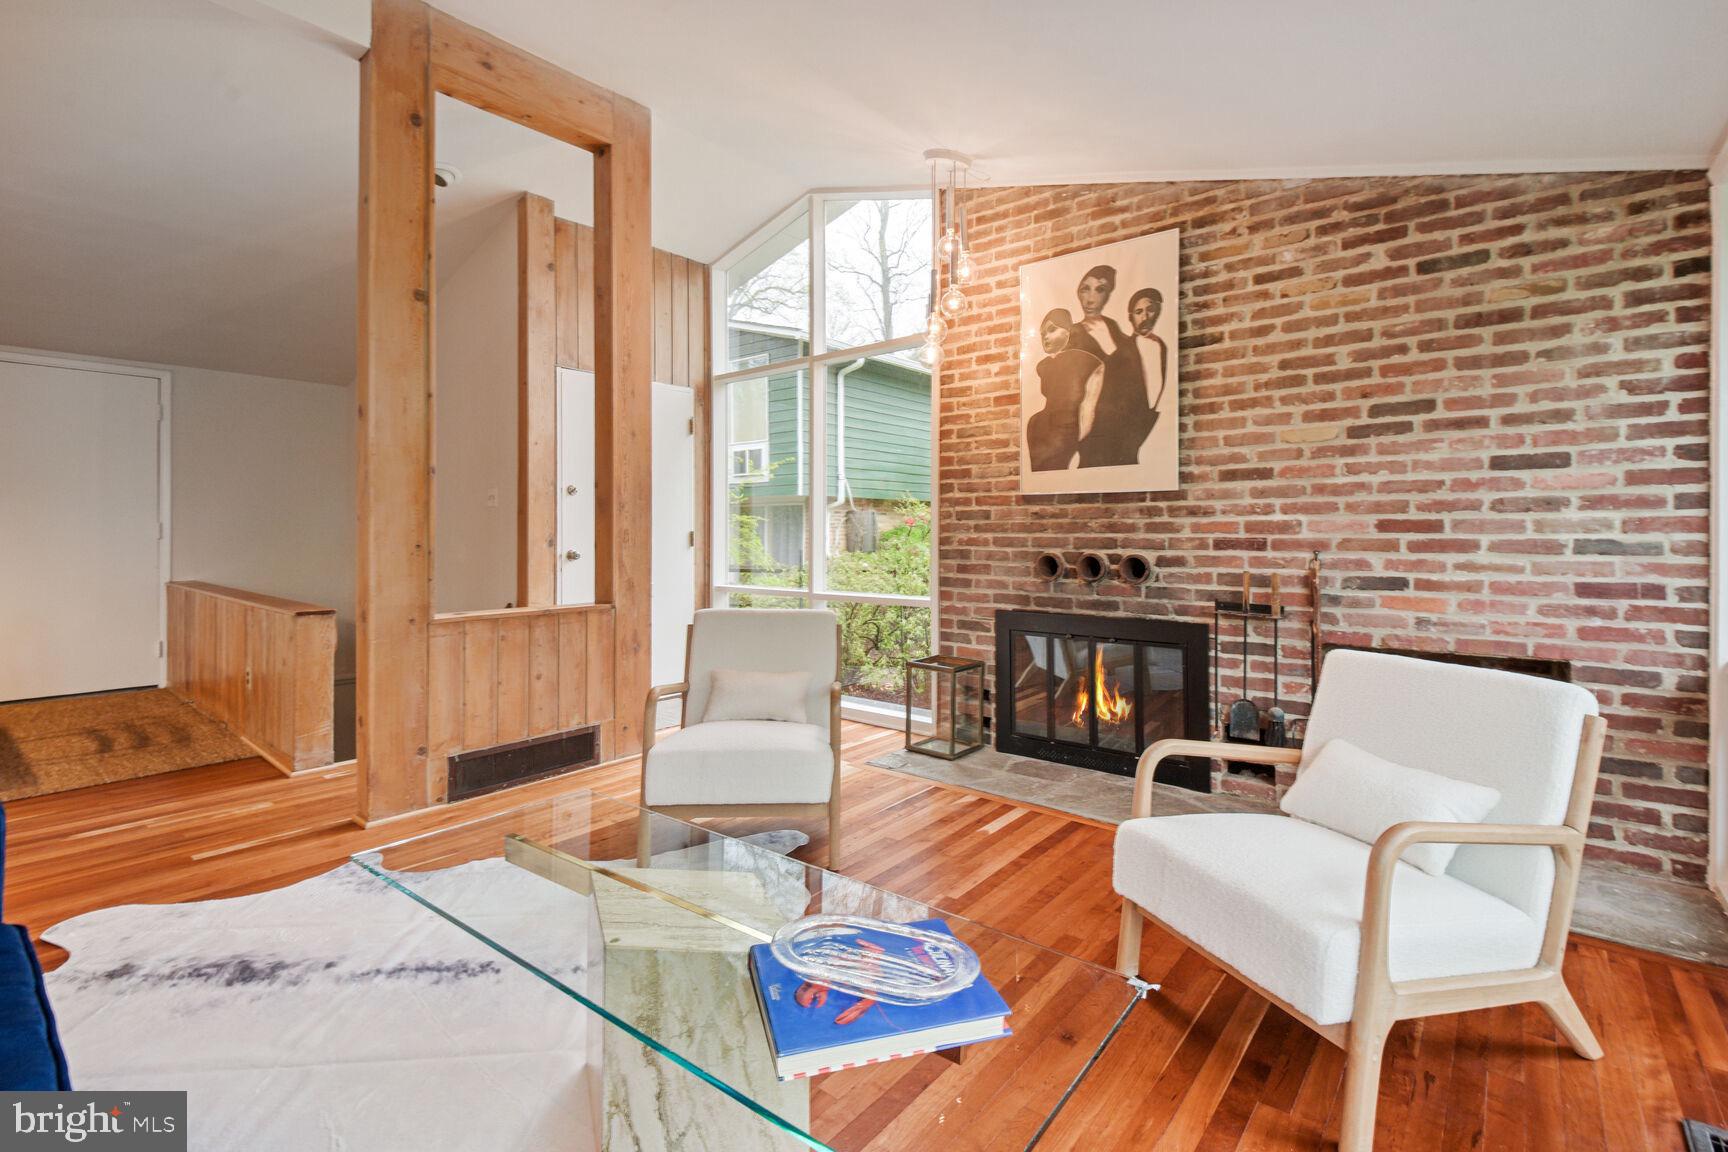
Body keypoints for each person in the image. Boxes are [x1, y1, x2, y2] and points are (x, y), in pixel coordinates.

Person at [1067, 265, 1151, 467]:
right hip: (1092, 435)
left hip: (1126, 435)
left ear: (1109, 294)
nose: (1090, 298)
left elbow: (1137, 383)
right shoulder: (1072, 338)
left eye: (1100, 290)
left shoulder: (1119, 334)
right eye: (1085, 289)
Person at [1027, 309, 1104, 471]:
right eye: (1042, 334)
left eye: (1052, 329)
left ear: (1068, 331)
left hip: (1068, 431)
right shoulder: (1043, 366)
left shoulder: (1088, 362)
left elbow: (1088, 409)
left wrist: (1080, 445)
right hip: (1040, 428)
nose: (1045, 337)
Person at [1126, 286, 1170, 428]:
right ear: (1130, 317)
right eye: (1139, 312)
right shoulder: (1122, 350)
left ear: (1157, 312)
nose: (1145, 317)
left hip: (1155, 418)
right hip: (1129, 424)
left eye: (1150, 310)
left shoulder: (1162, 345)